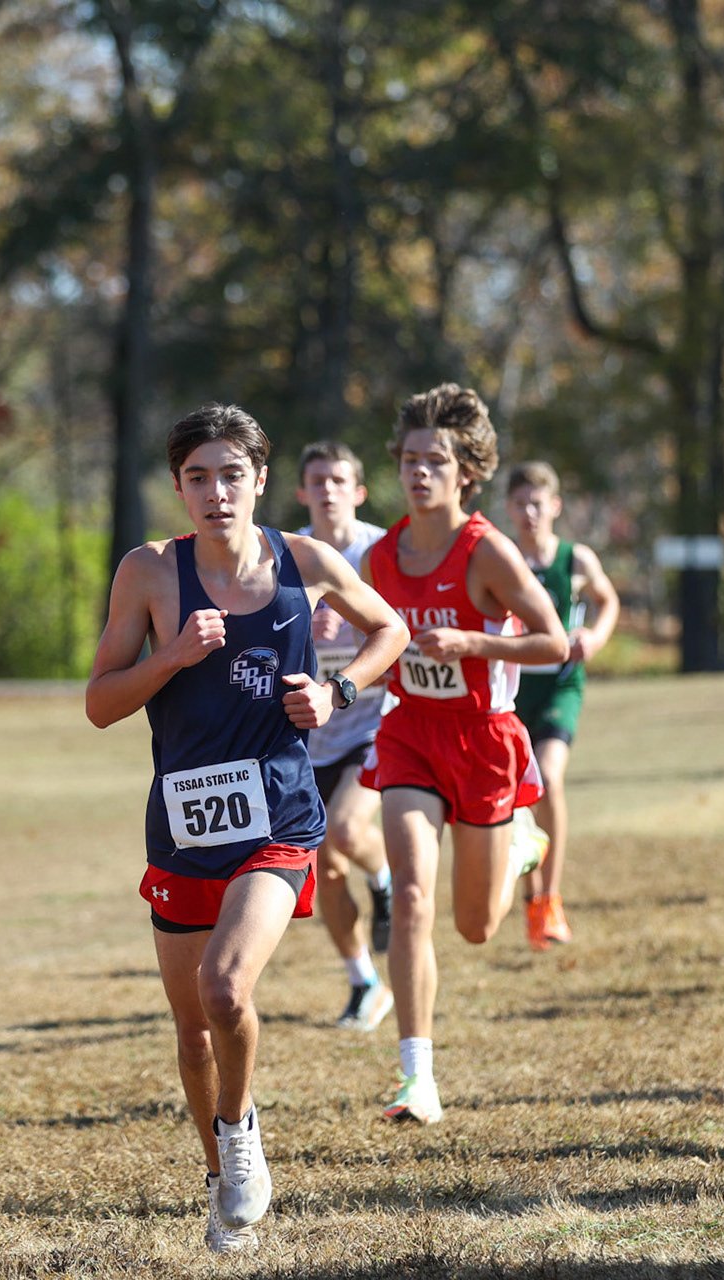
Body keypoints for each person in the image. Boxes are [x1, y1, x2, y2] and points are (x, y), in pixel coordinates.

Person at [85, 404, 406, 1253]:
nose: (216, 492)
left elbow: (391, 629)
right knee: (192, 1030)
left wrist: (337, 694)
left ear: (262, 480)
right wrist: (172, 657)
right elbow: (100, 704)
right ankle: (222, 1174)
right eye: (199, 477)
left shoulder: (305, 560)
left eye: (233, 475)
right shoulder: (150, 573)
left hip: (280, 818)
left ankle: (241, 1138)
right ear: (179, 485)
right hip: (184, 825)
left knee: (227, 989)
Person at [366, 384, 568, 1123]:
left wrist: (473, 641)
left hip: (483, 739)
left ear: (465, 473)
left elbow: (555, 643)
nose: (419, 473)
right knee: (412, 895)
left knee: (477, 926)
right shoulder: (381, 555)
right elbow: (370, 634)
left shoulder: (488, 550)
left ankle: (519, 845)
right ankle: (417, 1076)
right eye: (410, 460)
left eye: (435, 461)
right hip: (410, 732)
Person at [293, 441, 396, 1032]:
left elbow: (398, 629)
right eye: (317, 480)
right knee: (323, 868)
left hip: (374, 720)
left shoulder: (379, 551)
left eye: (339, 479)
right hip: (309, 733)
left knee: (345, 832)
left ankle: (382, 879)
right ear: (302, 492)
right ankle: (363, 981)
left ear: (357, 491)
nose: (327, 489)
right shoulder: (289, 555)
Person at [503, 462, 618, 951]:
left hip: (559, 688)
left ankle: (551, 897)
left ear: (554, 506)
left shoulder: (575, 558)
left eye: (538, 503)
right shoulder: (500, 558)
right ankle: (534, 899)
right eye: (520, 504)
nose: (530, 513)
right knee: (516, 790)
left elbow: (607, 600)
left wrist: (593, 635)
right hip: (509, 688)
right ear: (509, 509)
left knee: (547, 776)